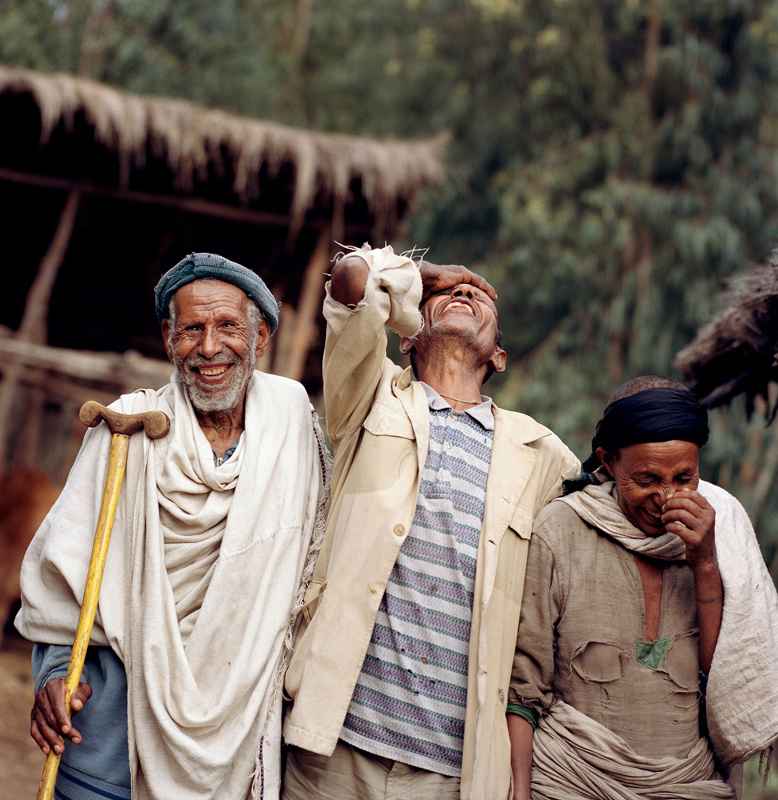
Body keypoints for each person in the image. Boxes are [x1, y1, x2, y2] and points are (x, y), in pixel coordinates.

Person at [16, 252, 328, 800]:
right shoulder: (124, 430)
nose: (209, 348)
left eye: (228, 326)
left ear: (260, 337)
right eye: (191, 330)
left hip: (236, 740)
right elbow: (63, 576)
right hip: (106, 739)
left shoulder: (293, 428)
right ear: (168, 338)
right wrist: (55, 675)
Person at [281, 244, 580, 800]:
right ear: (408, 336)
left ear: (499, 358)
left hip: (452, 772)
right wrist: (423, 274)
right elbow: (350, 281)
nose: (463, 292)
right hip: (334, 750)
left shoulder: (544, 455)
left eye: (478, 299)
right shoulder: (371, 395)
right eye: (446, 296)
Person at [508, 376, 778, 800]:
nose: (666, 497)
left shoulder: (719, 527)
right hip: (570, 781)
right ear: (608, 461)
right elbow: (522, 689)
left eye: (684, 477)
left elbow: (725, 679)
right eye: (647, 479)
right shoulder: (560, 531)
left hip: (689, 784)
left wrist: (706, 563)